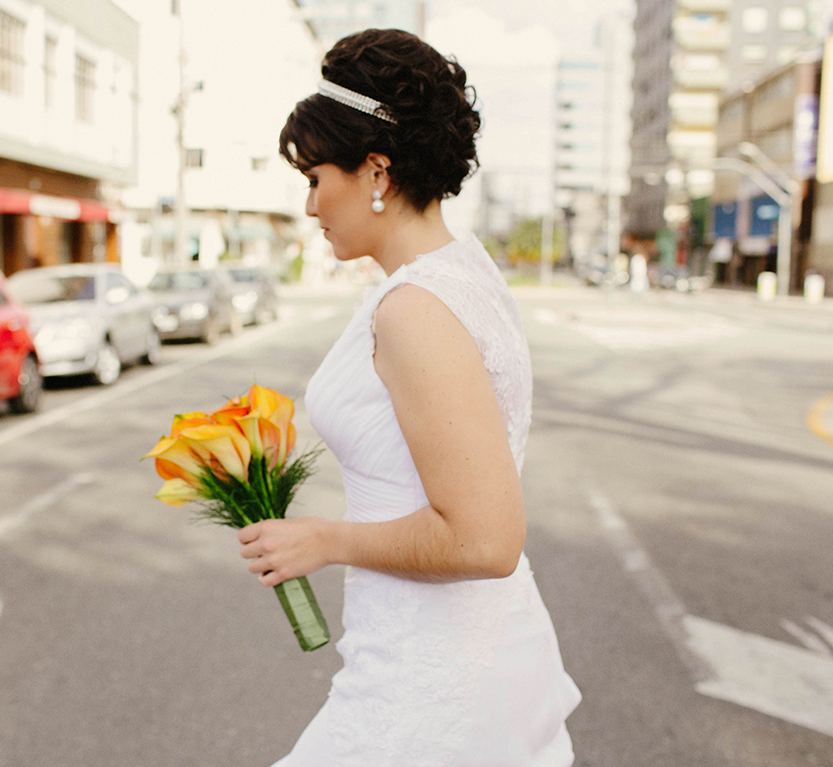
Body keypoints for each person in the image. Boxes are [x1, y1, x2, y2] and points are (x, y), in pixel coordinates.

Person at [237, 29, 582, 766]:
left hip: (430, 675)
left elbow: (485, 539)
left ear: (376, 171)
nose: (308, 205)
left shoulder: (415, 308)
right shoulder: (463, 272)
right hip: (447, 650)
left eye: (314, 177)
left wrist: (326, 539)